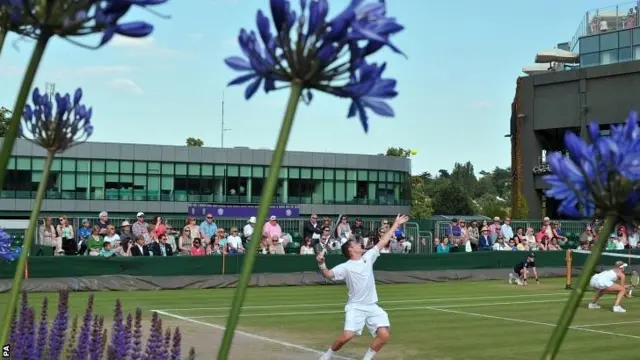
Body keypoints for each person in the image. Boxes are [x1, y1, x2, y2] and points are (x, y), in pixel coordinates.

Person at [316, 214, 410, 360]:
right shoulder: (345, 267)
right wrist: (321, 263)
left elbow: (384, 240)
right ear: (351, 250)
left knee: (384, 336)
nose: (360, 244)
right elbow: (328, 274)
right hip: (355, 306)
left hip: (372, 306)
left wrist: (396, 223)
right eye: (355, 244)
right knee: (347, 336)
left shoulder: (369, 256)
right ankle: (327, 354)